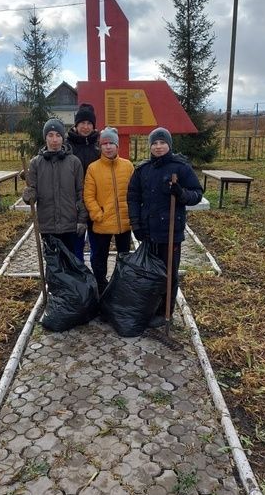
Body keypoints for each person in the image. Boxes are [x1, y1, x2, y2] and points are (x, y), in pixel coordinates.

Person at [127, 127, 203, 327]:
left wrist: (182, 194)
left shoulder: (180, 168)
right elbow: (133, 197)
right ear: (150, 146)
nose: (158, 147)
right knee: (150, 273)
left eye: (162, 143)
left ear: (169, 145)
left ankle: (165, 312)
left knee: (169, 273)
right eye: (154, 143)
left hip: (171, 232)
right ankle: (150, 306)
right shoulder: (143, 170)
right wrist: (136, 224)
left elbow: (197, 194)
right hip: (149, 231)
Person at [22, 118, 87, 254]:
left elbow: (81, 192)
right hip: (47, 224)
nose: (54, 139)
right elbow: (32, 191)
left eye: (58, 135)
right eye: (50, 135)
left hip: (69, 223)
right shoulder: (36, 163)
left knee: (70, 264)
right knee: (52, 264)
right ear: (45, 138)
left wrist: (82, 219)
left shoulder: (74, 162)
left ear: (63, 138)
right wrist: (28, 195)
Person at [84, 126, 134, 294]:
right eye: (104, 143)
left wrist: (132, 213)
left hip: (124, 223)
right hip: (102, 222)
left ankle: (121, 288)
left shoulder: (128, 166)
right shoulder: (93, 168)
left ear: (117, 146)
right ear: (100, 146)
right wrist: (98, 214)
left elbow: (134, 192)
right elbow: (89, 196)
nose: (108, 147)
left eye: (111, 143)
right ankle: (101, 288)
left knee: (124, 258)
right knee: (100, 259)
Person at [66, 103, 100, 262]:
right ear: (76, 125)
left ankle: (97, 280)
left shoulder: (99, 146)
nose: (86, 127)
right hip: (74, 203)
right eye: (82, 123)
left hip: (95, 202)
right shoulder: (67, 147)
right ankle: (78, 280)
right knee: (76, 246)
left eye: (89, 123)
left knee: (97, 246)